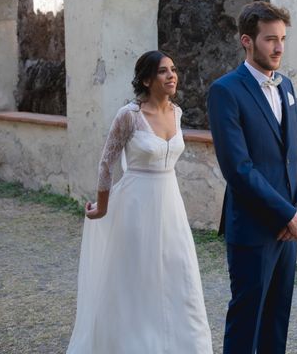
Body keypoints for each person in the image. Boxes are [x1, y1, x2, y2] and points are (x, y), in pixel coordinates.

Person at [67, 50, 213, 354]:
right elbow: (106, 163)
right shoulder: (129, 115)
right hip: (135, 204)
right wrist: (103, 207)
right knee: (137, 278)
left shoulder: (177, 112)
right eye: (163, 71)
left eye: (173, 69)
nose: (172, 75)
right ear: (147, 79)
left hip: (170, 204)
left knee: (179, 274)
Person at [207, 1, 297, 354]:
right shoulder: (225, 91)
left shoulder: (287, 87)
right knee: (246, 322)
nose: (279, 47)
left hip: (289, 227)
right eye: (270, 39)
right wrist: (287, 215)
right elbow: (238, 169)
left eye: (282, 38)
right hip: (253, 227)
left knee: (276, 321)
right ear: (247, 41)